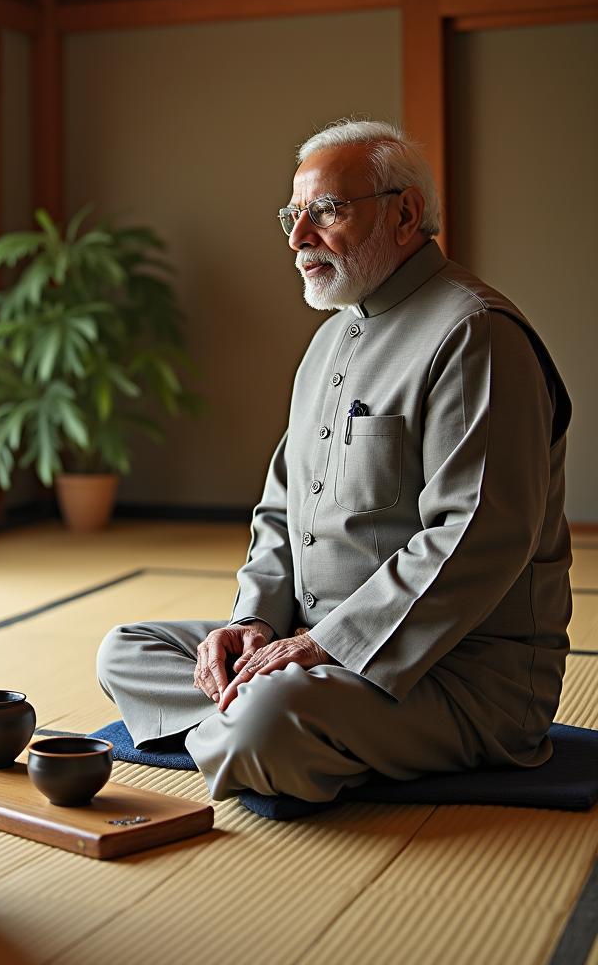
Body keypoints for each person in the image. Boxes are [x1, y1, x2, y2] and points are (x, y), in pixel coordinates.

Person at [97, 120, 572, 805]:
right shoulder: (329, 341)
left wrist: (326, 648)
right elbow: (278, 509)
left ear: (405, 212)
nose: (298, 238)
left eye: (326, 211)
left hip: (455, 676)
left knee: (267, 718)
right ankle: (259, 728)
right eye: (294, 215)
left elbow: (476, 535)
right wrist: (255, 623)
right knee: (127, 649)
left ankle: (258, 728)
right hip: (313, 648)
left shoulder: (475, 333)